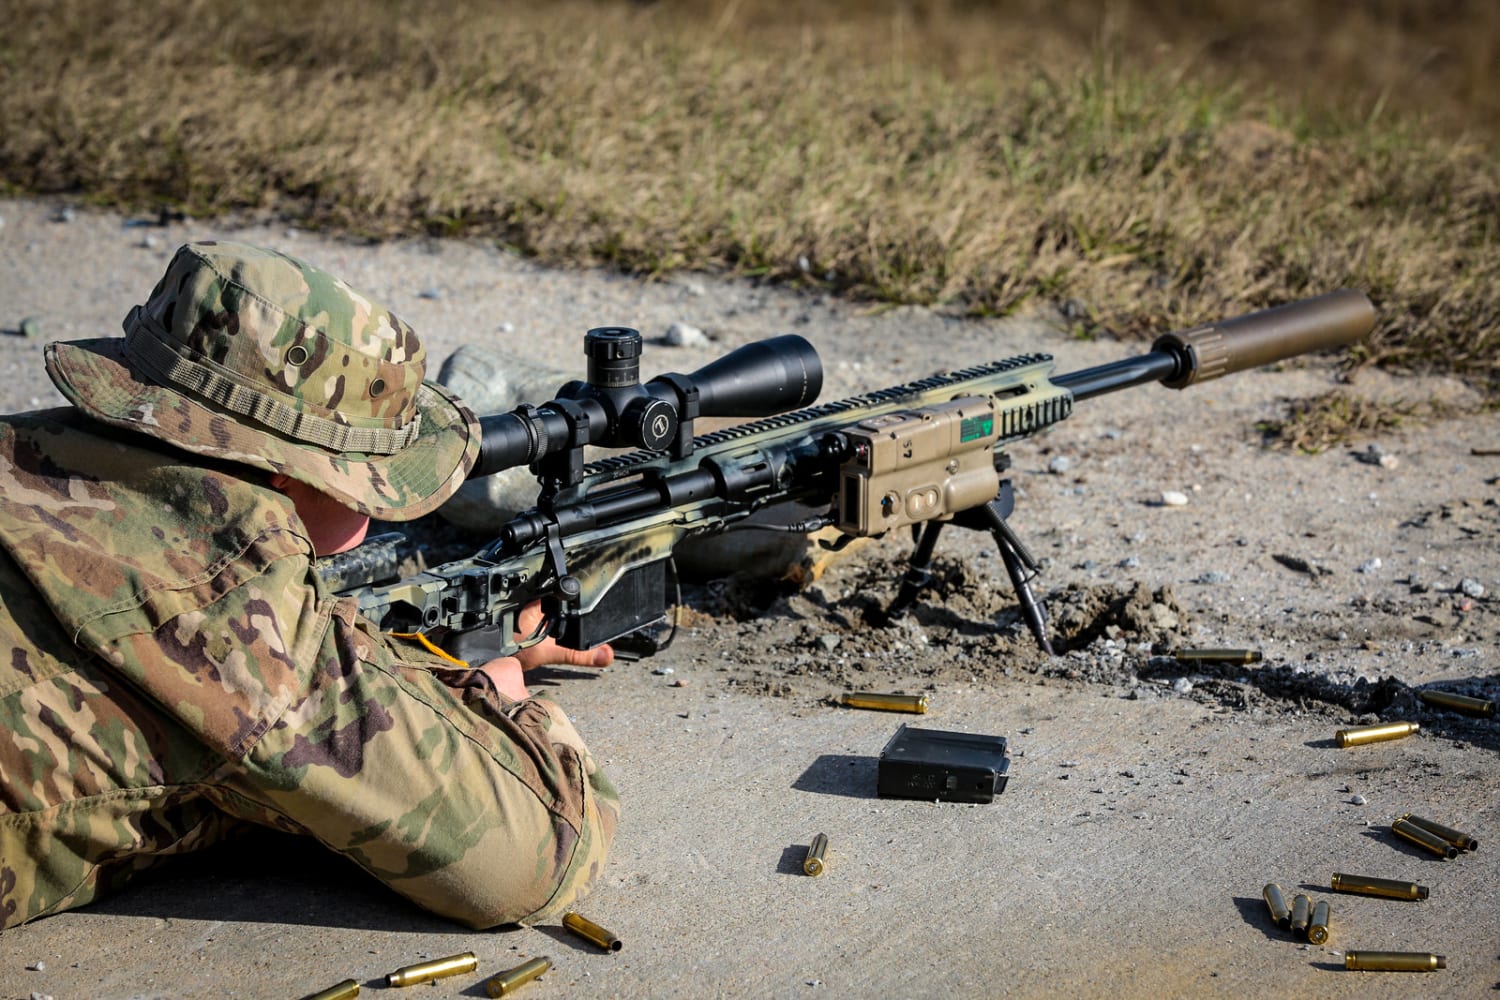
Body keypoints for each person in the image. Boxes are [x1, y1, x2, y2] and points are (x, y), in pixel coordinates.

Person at [0, 240, 618, 930]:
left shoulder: (20, 449)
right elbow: (536, 859)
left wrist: (416, 660)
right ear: (296, 473)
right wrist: (504, 697)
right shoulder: (239, 612)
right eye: (372, 485)